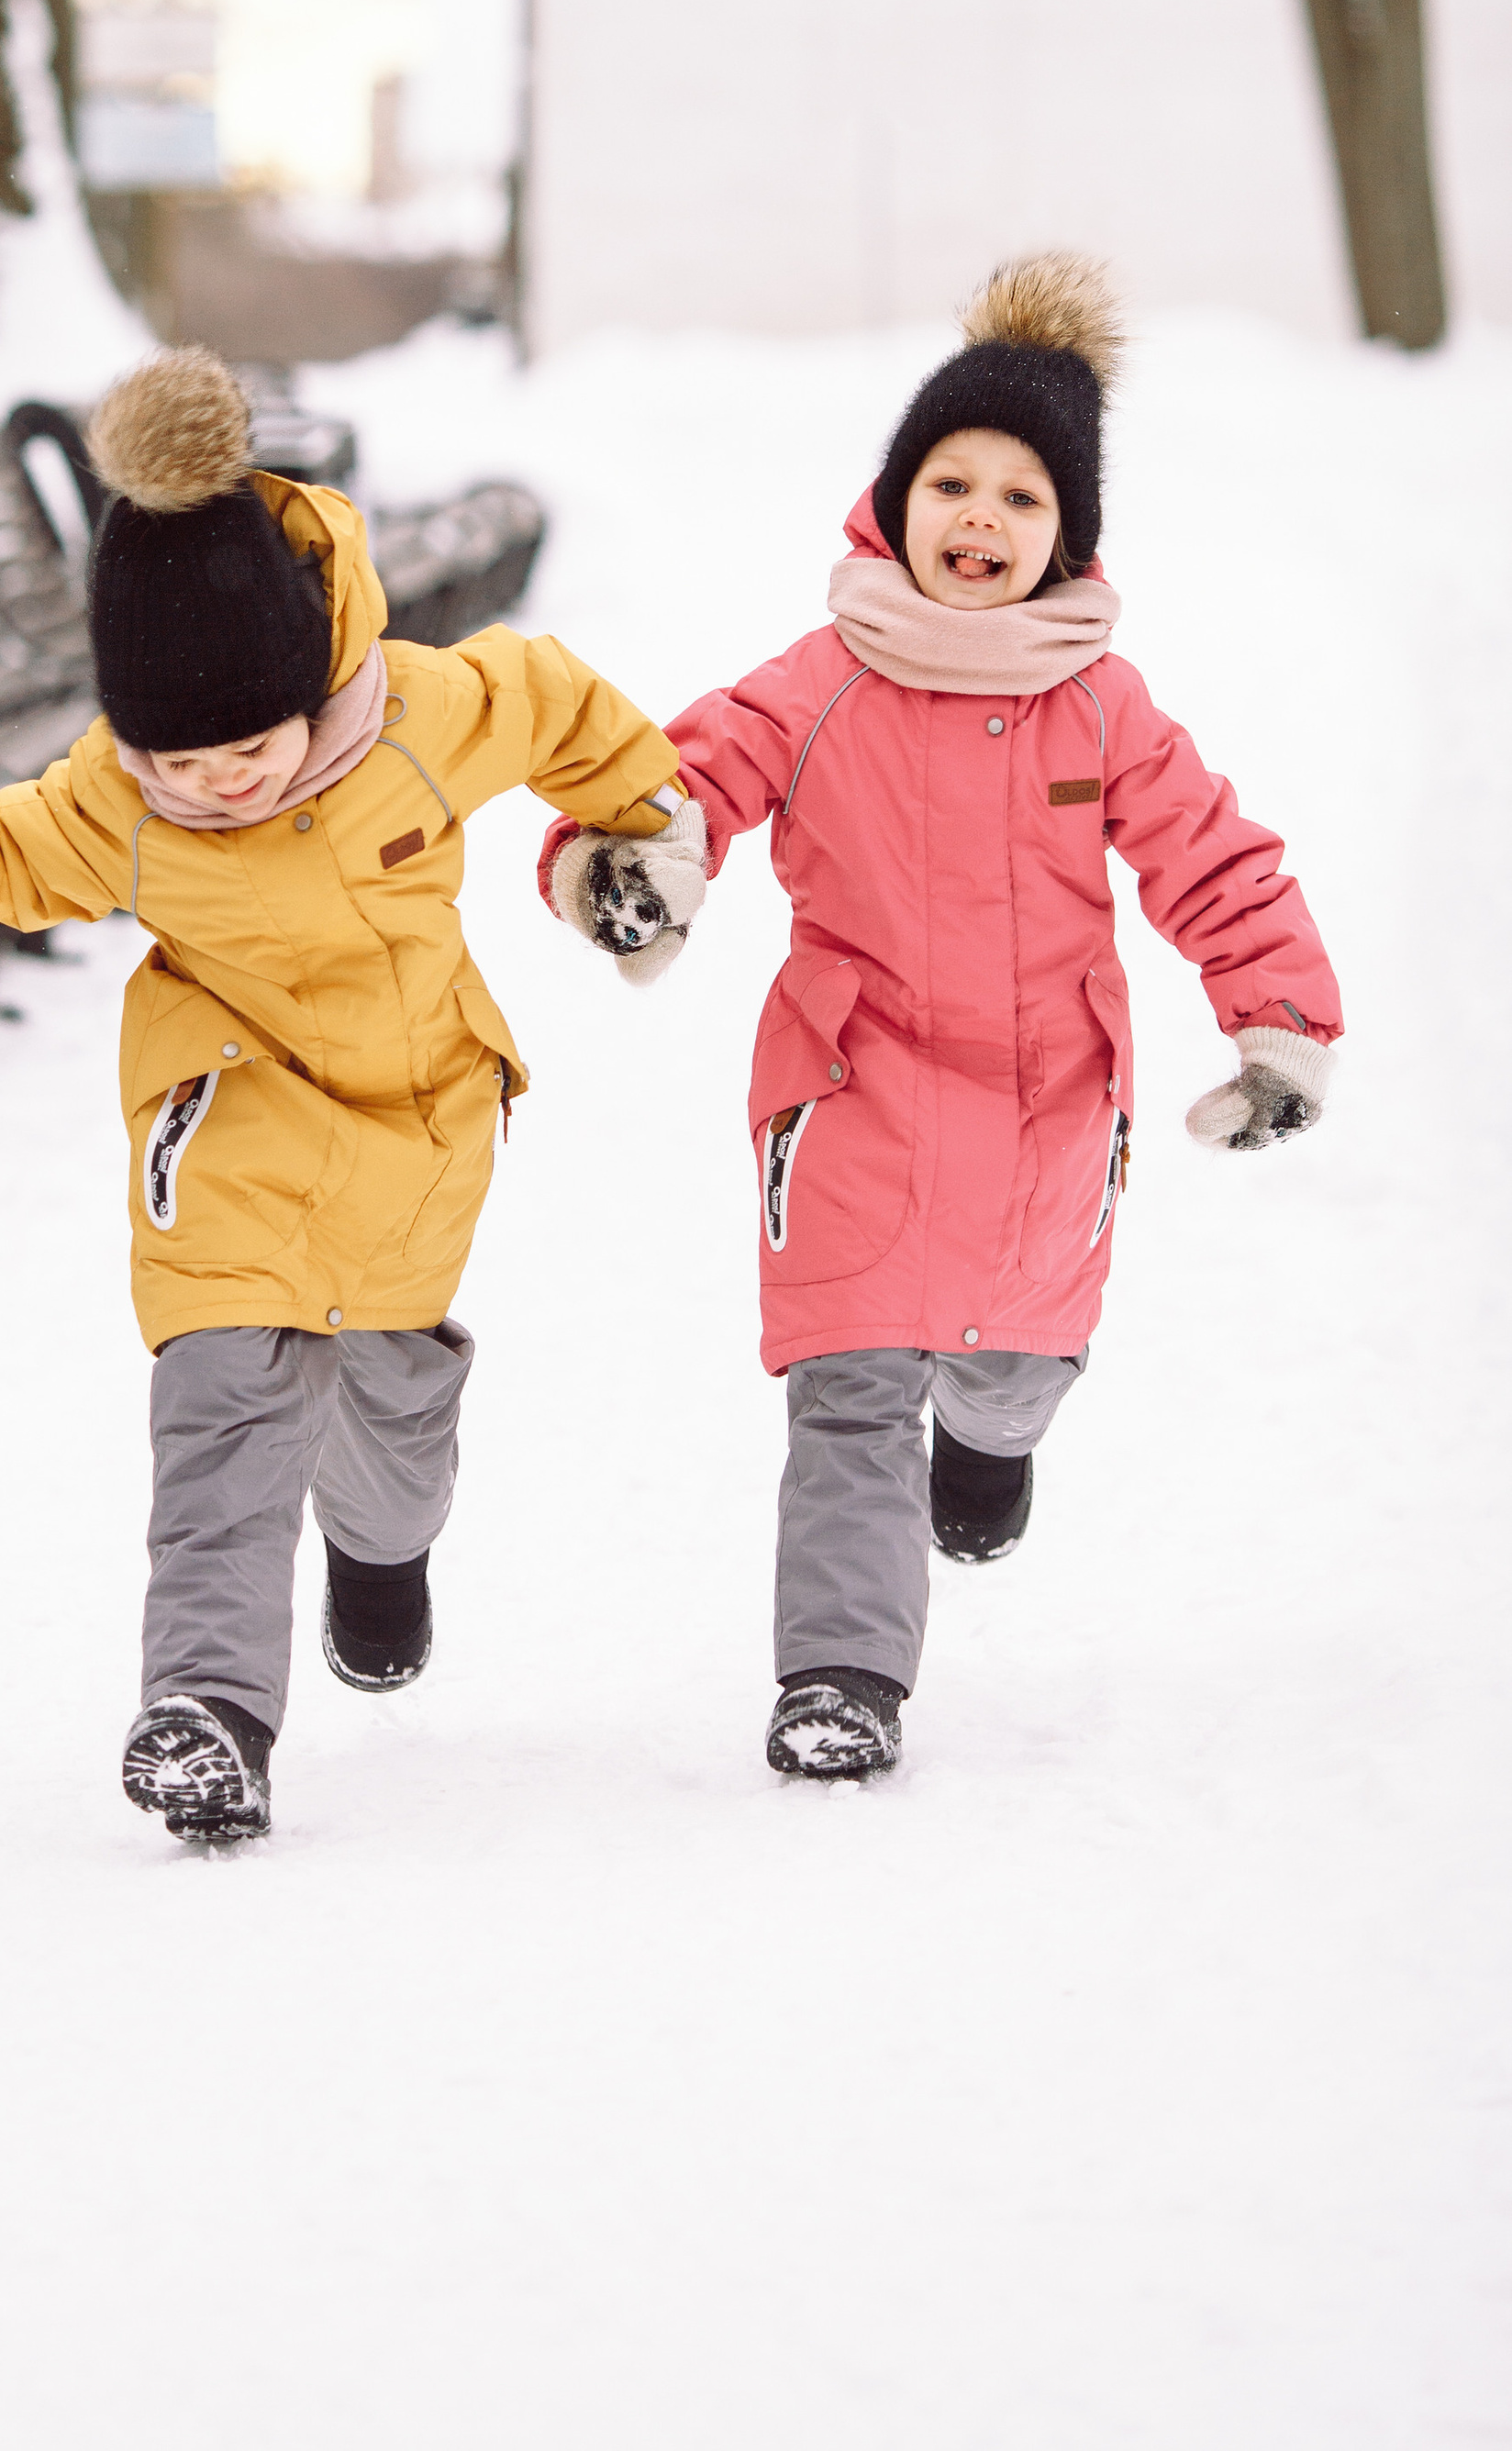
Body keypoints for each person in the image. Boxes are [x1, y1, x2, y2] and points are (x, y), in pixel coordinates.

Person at [0, 344, 689, 1844]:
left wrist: (631, 845)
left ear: (308, 686)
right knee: (221, 1409)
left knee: (392, 1418)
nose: (215, 785)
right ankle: (209, 1715)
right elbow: (0, 852)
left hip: (420, 1128)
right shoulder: (119, 801)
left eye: (245, 748)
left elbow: (570, 710)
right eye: (176, 761)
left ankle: (385, 1560)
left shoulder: (427, 716)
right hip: (233, 1117)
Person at [539, 253, 1342, 1780]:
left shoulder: (1103, 705)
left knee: (1016, 1357)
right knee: (850, 1389)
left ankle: (990, 1447)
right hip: (854, 1085)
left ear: (1068, 537)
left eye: (1024, 500)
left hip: (1049, 1108)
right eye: (953, 484)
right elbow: (692, 774)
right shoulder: (824, 675)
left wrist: (1278, 1019)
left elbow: (1211, 860)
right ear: (895, 502)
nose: (982, 519)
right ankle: (841, 1679)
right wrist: (635, 859)